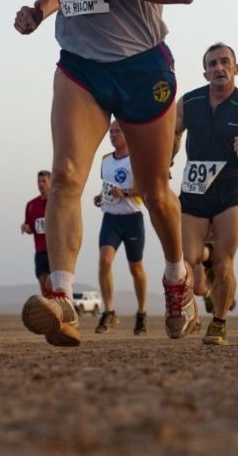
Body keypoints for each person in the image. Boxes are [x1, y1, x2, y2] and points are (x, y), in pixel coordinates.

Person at [14, 0, 196, 347]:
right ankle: (62, 297)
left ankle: (178, 276)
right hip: (80, 68)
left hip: (142, 68)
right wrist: (37, 11)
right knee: (68, 174)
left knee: (155, 189)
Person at [175, 43, 238, 345]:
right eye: (212, 64)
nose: (219, 68)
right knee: (189, 259)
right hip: (195, 189)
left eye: (225, 62)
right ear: (205, 72)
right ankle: (202, 258)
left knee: (224, 263)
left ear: (236, 68)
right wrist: (167, 158)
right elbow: (173, 133)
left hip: (230, 190)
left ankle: (219, 322)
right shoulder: (189, 102)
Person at [92, 121, 148, 335]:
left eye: (117, 132)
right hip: (111, 219)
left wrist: (124, 193)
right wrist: (101, 197)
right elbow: (107, 185)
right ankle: (109, 311)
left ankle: (141, 313)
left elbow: (145, 188)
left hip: (132, 218)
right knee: (104, 261)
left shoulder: (136, 158)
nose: (113, 135)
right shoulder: (106, 160)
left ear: (127, 134)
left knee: (135, 268)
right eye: (111, 132)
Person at [21, 171, 52, 295]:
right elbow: (31, 228)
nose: (41, 184)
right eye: (39, 181)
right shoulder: (31, 205)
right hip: (40, 251)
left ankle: (60, 311)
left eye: (44, 181)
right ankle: (48, 312)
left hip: (55, 251)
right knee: (44, 287)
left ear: (51, 182)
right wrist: (26, 228)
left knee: (52, 285)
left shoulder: (57, 203)